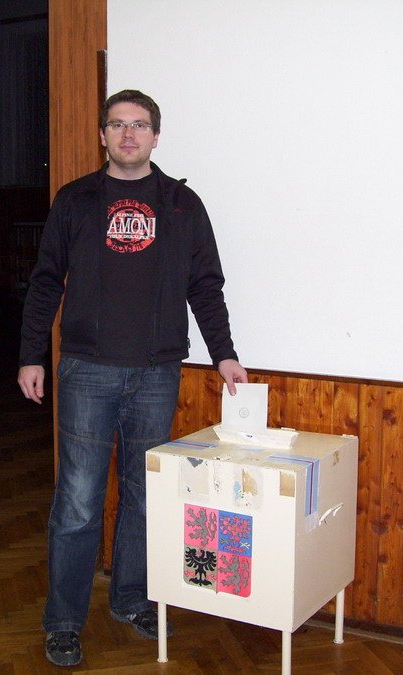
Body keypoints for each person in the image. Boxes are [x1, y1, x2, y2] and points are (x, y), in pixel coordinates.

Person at [18, 89, 247, 667]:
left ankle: (130, 599)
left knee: (145, 497)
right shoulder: (75, 201)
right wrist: (31, 355)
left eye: (139, 125)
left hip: (156, 373)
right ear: (103, 136)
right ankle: (64, 622)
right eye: (118, 125)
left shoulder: (182, 206)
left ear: (155, 136)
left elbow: (205, 286)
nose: (128, 135)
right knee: (78, 502)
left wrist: (224, 354)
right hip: (86, 371)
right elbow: (46, 281)